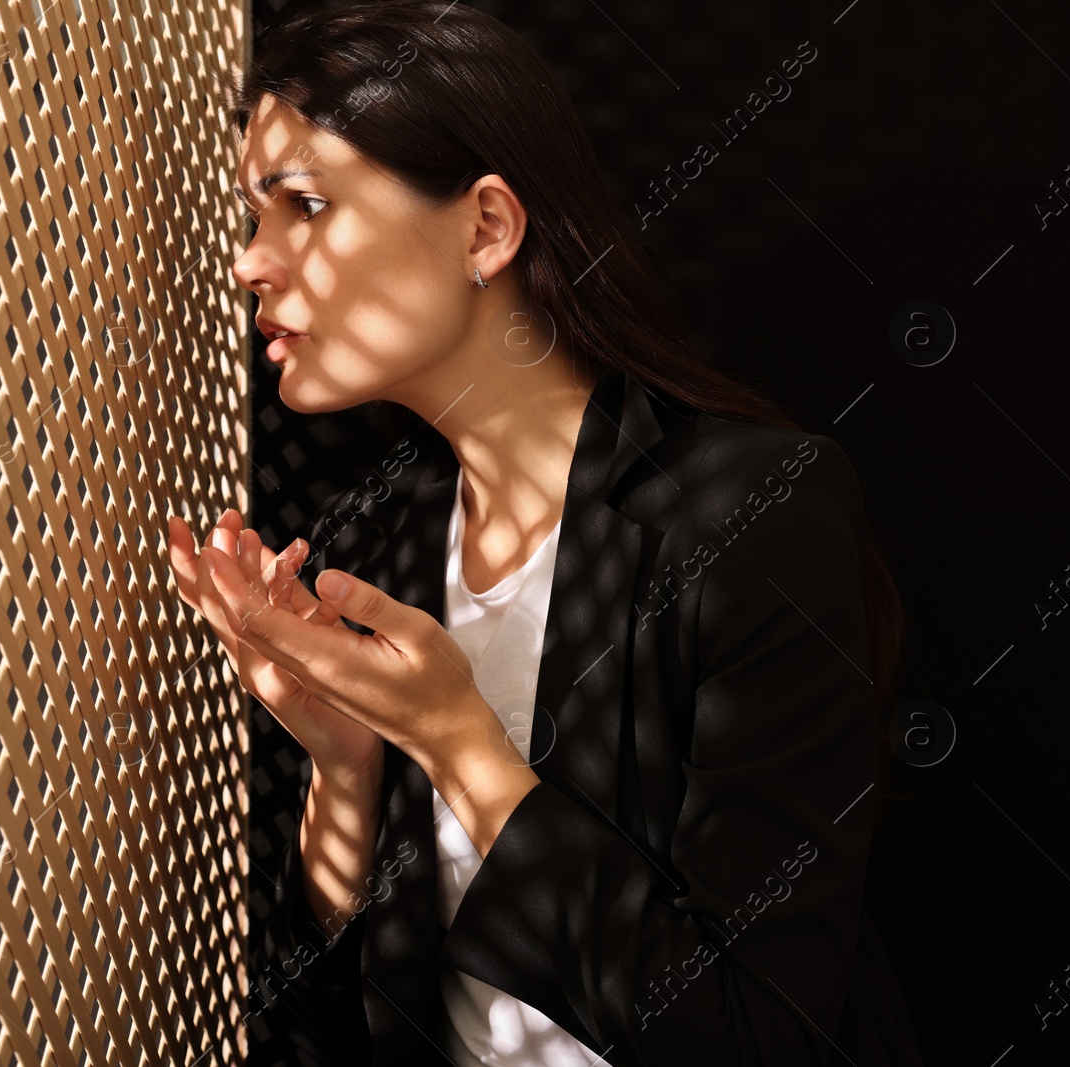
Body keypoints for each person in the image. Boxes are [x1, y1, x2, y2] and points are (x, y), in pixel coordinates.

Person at [166, 2, 922, 1063]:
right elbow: (337, 1024)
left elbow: (759, 1033)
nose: (252, 261)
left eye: (306, 204)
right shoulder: (387, 551)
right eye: (256, 215)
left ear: (485, 227)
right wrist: (344, 763)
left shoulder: (749, 512)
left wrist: (458, 744)